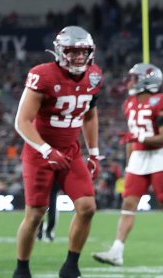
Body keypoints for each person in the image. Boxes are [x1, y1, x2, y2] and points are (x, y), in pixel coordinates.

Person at [12, 25, 104, 278]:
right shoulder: (43, 75)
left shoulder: (94, 76)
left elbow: (90, 114)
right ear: (60, 52)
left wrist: (94, 152)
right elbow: (22, 121)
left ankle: (71, 266)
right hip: (39, 152)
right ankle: (22, 269)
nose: (78, 57)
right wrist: (45, 149)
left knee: (87, 207)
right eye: (72, 52)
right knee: (35, 215)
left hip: (70, 151)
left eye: (83, 52)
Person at [92, 63, 163, 267]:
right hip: (138, 159)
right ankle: (117, 251)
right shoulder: (129, 103)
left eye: (134, 78)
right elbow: (130, 139)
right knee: (128, 204)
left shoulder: (162, 101)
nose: (130, 81)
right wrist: (128, 164)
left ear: (146, 80)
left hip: (159, 157)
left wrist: (139, 137)